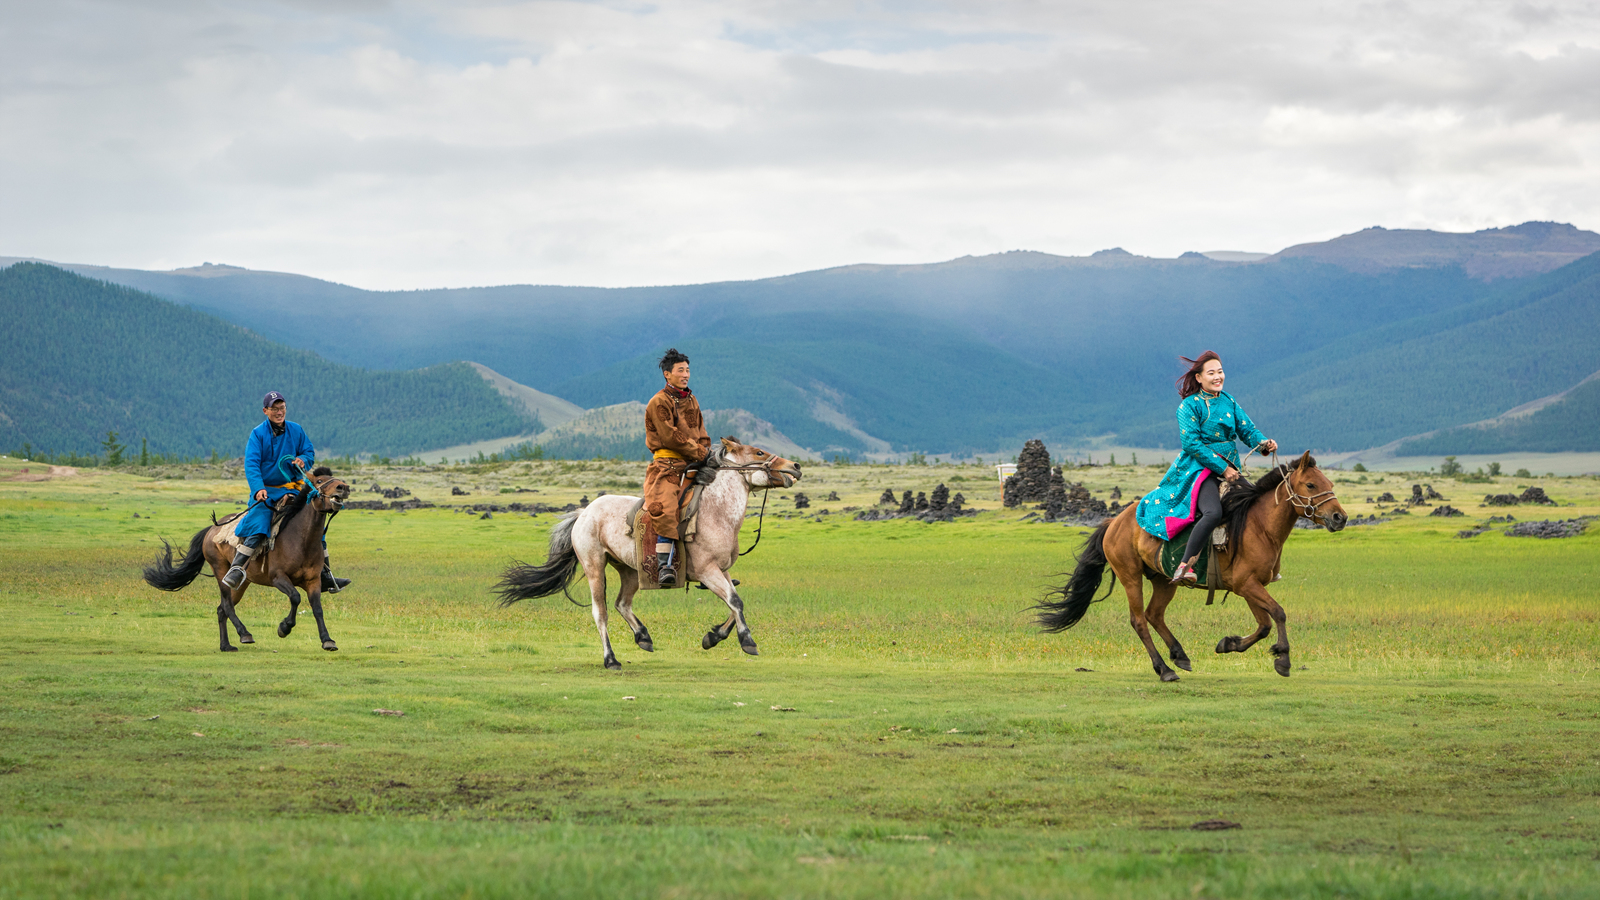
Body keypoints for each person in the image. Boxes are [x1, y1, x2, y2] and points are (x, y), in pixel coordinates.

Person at [1134, 352, 1277, 584]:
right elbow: (1191, 443)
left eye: (1220, 371)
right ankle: (1184, 566)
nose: (1218, 376)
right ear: (1199, 378)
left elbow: (1247, 430)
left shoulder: (1229, 401)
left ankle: (1259, 564)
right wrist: (1223, 469)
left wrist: (1263, 443)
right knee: (1213, 513)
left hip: (1231, 468)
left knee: (1255, 505)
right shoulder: (1189, 406)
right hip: (1199, 471)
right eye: (1211, 373)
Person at [221, 391, 350, 594]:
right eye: (274, 409)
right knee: (259, 522)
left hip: (295, 489)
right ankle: (236, 569)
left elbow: (308, 452)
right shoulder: (257, 434)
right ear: (265, 411)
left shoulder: (296, 430)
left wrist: (303, 460)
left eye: (282, 408)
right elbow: (252, 464)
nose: (279, 412)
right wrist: (258, 489)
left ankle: (325, 574)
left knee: (315, 524)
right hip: (267, 491)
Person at [643, 348, 711, 586]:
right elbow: (671, 437)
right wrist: (700, 452)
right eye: (681, 370)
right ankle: (665, 566)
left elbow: (701, 431)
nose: (686, 375)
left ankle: (709, 564)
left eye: (688, 370)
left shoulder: (692, 399)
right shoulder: (658, 401)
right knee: (666, 506)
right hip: (667, 465)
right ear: (667, 374)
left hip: (693, 462)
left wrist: (706, 452)